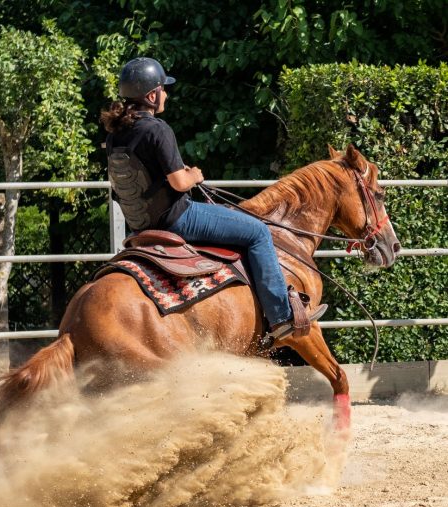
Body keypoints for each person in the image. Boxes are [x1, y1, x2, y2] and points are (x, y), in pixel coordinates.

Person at [100, 57, 326, 343]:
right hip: (178, 218)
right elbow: (179, 182)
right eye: (164, 89)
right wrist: (193, 175)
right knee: (257, 232)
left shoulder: (115, 135)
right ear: (152, 95)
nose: (167, 94)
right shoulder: (158, 129)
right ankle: (281, 316)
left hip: (141, 225)